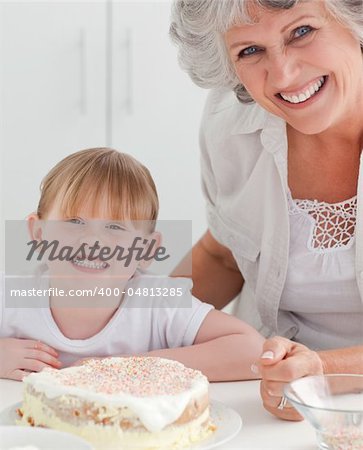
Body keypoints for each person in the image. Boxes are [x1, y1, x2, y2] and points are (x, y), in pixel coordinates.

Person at [170, 0, 363, 420]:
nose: (283, 75)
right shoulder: (230, 123)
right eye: (250, 51)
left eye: (301, 32)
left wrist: (323, 369)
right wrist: (127, 323)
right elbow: (223, 255)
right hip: (265, 399)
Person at [0, 147, 265, 382]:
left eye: (114, 226)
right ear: (38, 233)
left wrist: (125, 367)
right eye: (75, 222)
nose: (92, 240)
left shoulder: (157, 304)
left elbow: (253, 349)